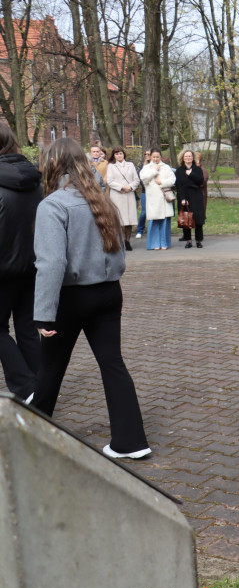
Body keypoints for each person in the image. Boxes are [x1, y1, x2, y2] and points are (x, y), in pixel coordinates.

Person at [31, 138, 150, 459]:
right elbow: (119, 256)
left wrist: (43, 313)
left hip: (72, 297)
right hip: (109, 293)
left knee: (51, 369)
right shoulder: (102, 201)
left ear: (52, 165)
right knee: (113, 365)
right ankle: (132, 441)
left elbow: (51, 263)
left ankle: (31, 436)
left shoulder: (52, 205)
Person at [0, 123, 43, 401]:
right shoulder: (34, 178)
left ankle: (26, 387)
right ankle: (41, 386)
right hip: (31, 265)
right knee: (27, 326)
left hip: (3, 268)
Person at [139, 148, 175, 251]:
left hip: (163, 198)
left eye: (157, 157)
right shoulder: (146, 167)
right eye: (153, 157)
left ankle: (164, 242)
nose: (155, 159)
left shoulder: (166, 167)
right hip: (153, 198)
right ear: (150, 157)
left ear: (160, 157)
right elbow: (144, 179)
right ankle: (154, 243)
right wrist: (154, 171)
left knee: (164, 221)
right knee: (154, 221)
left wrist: (162, 182)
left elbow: (172, 180)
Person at [106, 146, 140, 251]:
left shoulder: (130, 165)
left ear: (123, 154)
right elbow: (110, 181)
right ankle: (119, 241)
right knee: (119, 219)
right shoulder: (111, 166)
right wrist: (121, 187)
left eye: (120, 153)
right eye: (116, 154)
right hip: (117, 195)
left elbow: (136, 179)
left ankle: (127, 241)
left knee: (129, 219)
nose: (119, 155)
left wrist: (130, 187)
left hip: (129, 194)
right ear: (114, 156)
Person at [175, 150, 207, 249]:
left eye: (190, 156)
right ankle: (188, 241)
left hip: (196, 196)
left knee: (198, 220)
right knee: (186, 220)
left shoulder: (197, 169)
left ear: (192, 158)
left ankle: (198, 241)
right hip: (185, 196)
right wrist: (183, 199)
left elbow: (201, 181)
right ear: (183, 158)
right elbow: (179, 186)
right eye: (186, 156)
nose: (188, 158)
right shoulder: (179, 170)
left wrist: (191, 174)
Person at [136, 150, 151, 238]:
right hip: (145, 192)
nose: (147, 156)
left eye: (149, 154)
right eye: (145, 154)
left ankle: (151, 230)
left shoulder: (155, 165)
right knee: (144, 212)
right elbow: (140, 178)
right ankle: (140, 230)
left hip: (154, 192)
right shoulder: (142, 166)